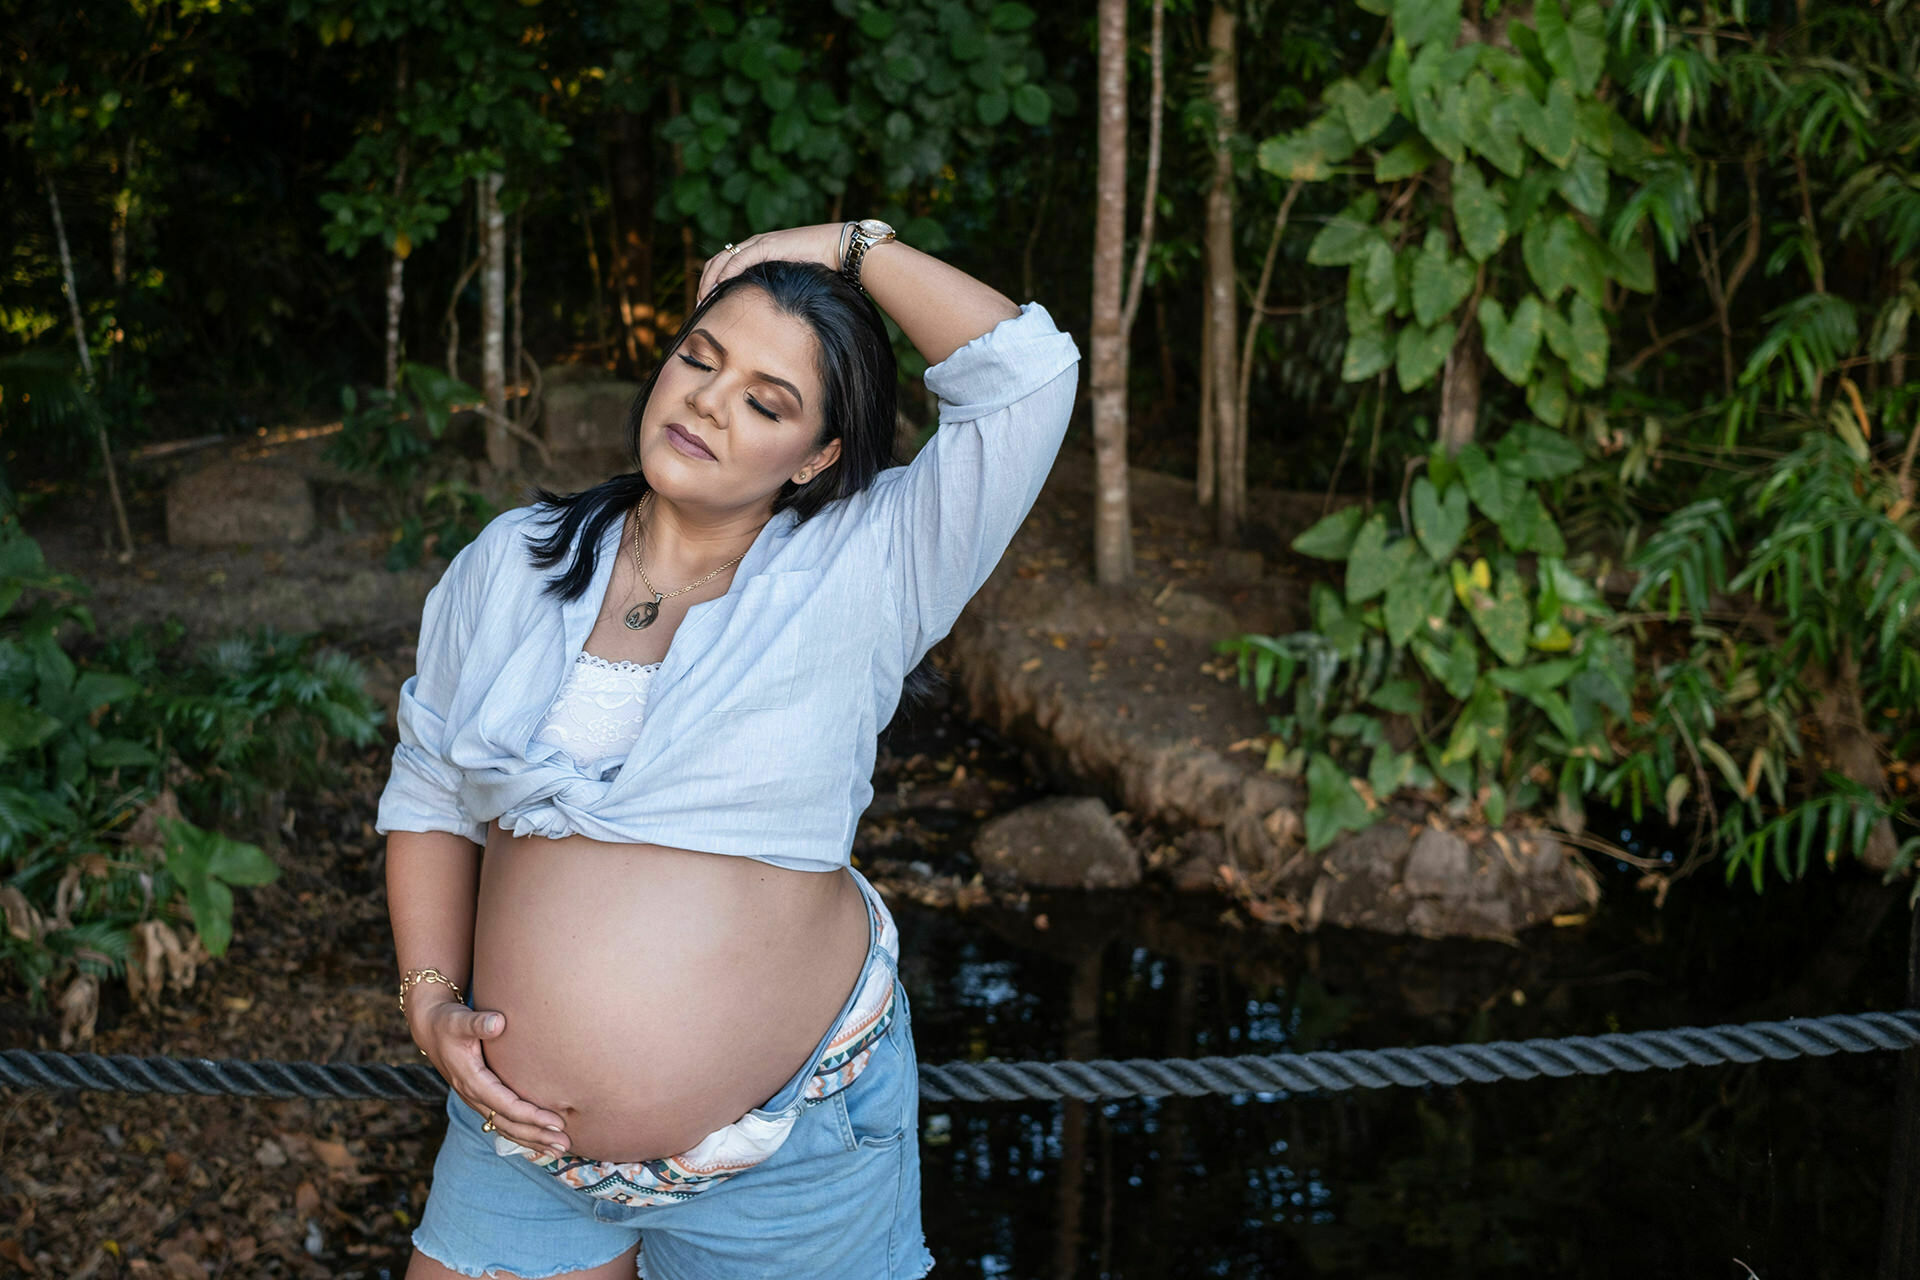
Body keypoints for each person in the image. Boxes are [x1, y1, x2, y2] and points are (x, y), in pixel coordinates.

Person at [376, 219, 1081, 1279]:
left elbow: (1025, 377)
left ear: (820, 456)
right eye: (699, 359)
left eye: (767, 400)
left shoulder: (871, 564)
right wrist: (429, 998)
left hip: (791, 1156)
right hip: (518, 1141)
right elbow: (429, 791)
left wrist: (842, 245)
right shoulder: (511, 561)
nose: (707, 399)